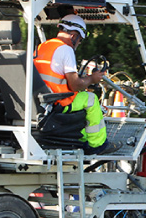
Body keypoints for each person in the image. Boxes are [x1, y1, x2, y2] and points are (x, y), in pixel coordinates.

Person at [34, 14, 121, 155]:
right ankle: (97, 146)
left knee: (82, 99)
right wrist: (92, 79)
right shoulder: (66, 49)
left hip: (42, 99)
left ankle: (82, 140)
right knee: (91, 100)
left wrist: (84, 79)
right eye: (80, 40)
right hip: (57, 101)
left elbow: (56, 75)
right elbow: (75, 85)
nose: (79, 43)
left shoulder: (43, 47)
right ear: (74, 35)